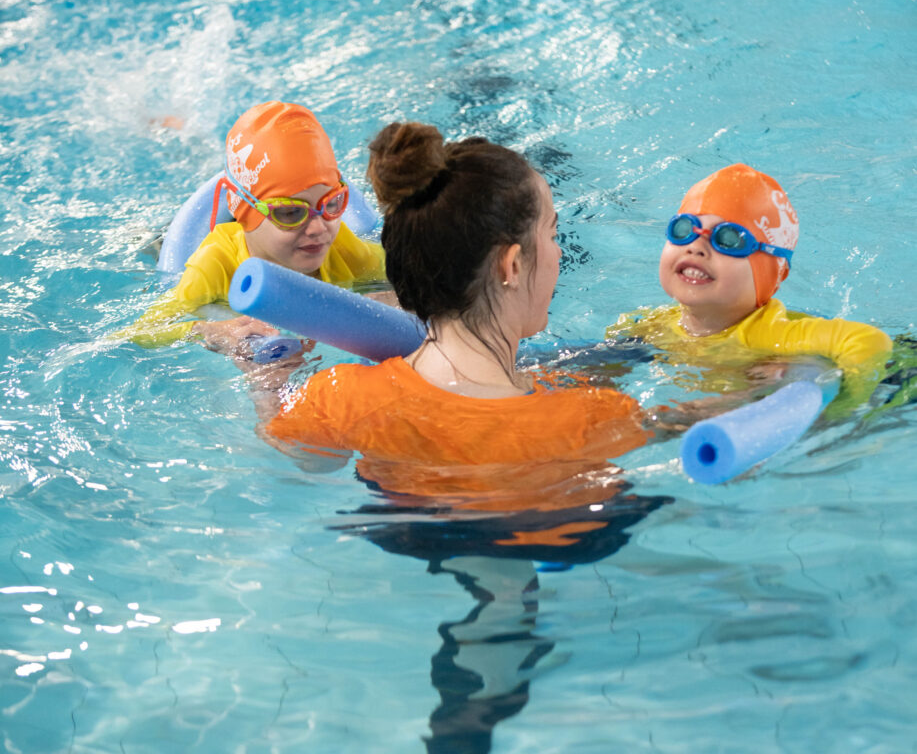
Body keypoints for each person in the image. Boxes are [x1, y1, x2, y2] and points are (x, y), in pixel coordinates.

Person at [260, 121, 662, 496]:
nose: (557, 252)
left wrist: (266, 376)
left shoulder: (340, 397)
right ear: (513, 265)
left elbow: (308, 459)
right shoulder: (593, 418)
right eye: (553, 233)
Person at [606, 163, 893, 414]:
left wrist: (835, 412)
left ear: (771, 274)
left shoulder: (775, 335)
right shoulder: (646, 326)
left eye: (728, 239)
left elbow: (871, 342)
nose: (696, 247)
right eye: (684, 229)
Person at [122, 101, 387, 355]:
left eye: (332, 204)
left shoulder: (341, 245)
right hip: (178, 243)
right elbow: (137, 333)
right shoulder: (214, 266)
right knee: (153, 243)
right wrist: (205, 330)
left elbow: (415, 270)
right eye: (291, 212)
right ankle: (171, 135)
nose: (319, 228)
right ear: (244, 210)